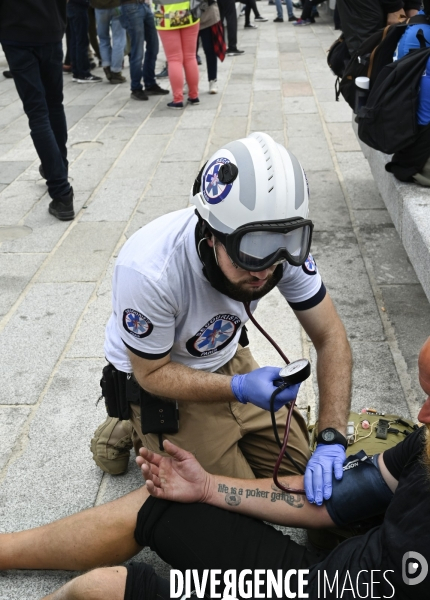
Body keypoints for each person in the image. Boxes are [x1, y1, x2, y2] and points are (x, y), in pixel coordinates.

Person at [1, 337, 429, 599]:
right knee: (165, 498)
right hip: (324, 581)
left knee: (102, 589)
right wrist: (207, 488)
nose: (423, 415)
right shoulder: (425, 443)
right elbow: (330, 502)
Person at [91, 132, 352, 507]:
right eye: (251, 253)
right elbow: (152, 373)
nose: (265, 271)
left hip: (224, 355)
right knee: (236, 508)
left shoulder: (279, 250)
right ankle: (125, 423)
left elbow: (331, 337)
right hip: (159, 374)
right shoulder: (149, 271)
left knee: (298, 480)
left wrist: (331, 437)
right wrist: (239, 388)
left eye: (279, 250)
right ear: (211, 234)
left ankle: (148, 425)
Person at [0, 0, 75, 221]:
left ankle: (61, 192)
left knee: (38, 112)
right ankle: (59, 168)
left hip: (16, 33)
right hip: (49, 29)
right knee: (53, 105)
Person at [152, 0, 201, 108]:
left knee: (174, 59)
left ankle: (178, 99)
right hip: (189, 12)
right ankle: (194, 95)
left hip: (164, 15)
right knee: (190, 57)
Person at [119, 0, 169, 101]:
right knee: (138, 51)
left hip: (144, 5)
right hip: (130, 6)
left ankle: (150, 84)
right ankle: (136, 88)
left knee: (153, 46)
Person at [92, 0, 127, 83]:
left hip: (99, 7)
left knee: (103, 38)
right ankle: (116, 71)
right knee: (119, 38)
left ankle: (106, 65)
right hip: (117, 5)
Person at [67, 0, 103, 82]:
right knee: (82, 41)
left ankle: (76, 72)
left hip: (71, 6)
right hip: (79, 7)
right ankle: (84, 73)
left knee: (74, 41)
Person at [198, 1, 224, 94]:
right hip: (189, 17)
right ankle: (189, 81)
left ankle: (212, 80)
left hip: (208, 14)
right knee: (190, 53)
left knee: (210, 49)